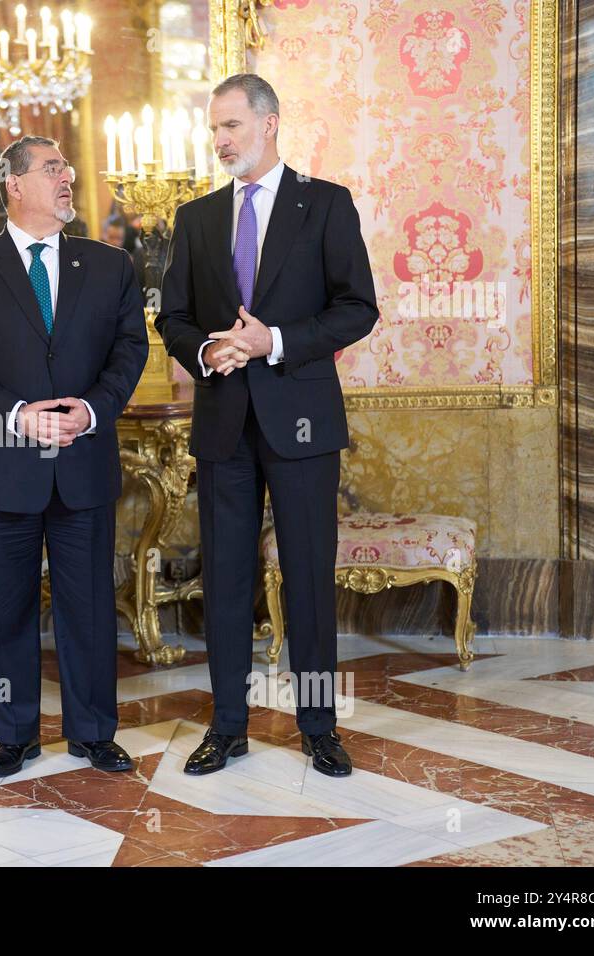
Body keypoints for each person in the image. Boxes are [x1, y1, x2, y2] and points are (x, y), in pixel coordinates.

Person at [156, 73, 379, 778]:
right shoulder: (195, 219)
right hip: (224, 422)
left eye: (232, 126)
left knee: (309, 575)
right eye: (214, 129)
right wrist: (207, 349)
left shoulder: (326, 205)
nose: (221, 140)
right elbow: (175, 316)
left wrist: (271, 341)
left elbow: (357, 308)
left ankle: (318, 727)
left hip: (303, 417)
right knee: (223, 578)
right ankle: (227, 726)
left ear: (270, 122)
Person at [0, 135, 148, 778]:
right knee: (4, 611)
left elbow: (130, 351)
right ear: (14, 185)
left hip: (83, 463)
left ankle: (93, 731)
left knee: (88, 607)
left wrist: (93, 410)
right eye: (52, 168)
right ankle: (16, 734)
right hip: (0, 466)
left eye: (67, 168)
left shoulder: (110, 266)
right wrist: (17, 414)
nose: (67, 177)